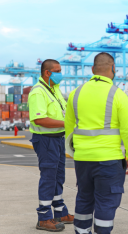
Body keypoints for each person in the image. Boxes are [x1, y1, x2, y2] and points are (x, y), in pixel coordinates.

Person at [64, 52, 128, 234]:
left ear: (92, 70)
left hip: (82, 159)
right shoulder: (118, 95)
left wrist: (75, 152)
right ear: (113, 69)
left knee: (84, 198)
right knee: (106, 201)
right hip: (108, 160)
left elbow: (69, 128)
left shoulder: (76, 93)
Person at [28, 59, 74, 232]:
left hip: (58, 139)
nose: (60, 74)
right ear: (47, 73)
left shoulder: (54, 89)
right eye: (57, 71)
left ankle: (60, 213)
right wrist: (67, 124)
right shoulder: (38, 92)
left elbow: (63, 112)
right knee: (48, 178)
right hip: (46, 140)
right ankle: (44, 217)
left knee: (58, 177)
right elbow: (40, 119)